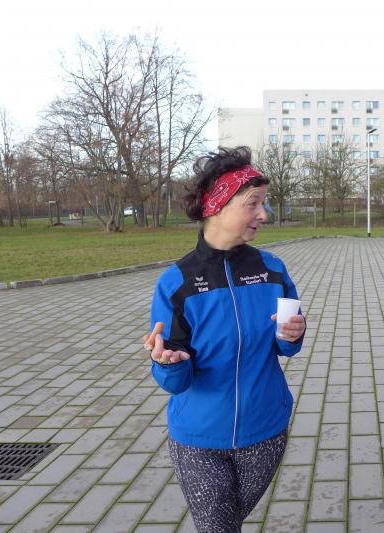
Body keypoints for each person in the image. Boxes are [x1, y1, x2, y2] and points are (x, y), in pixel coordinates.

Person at [145, 146, 306, 533]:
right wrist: (167, 363)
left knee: (226, 523)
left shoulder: (272, 269)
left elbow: (286, 345)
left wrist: (293, 334)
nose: (264, 215)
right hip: (199, 439)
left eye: (264, 203)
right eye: (253, 204)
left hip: (265, 432)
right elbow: (174, 380)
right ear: (217, 205)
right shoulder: (176, 283)